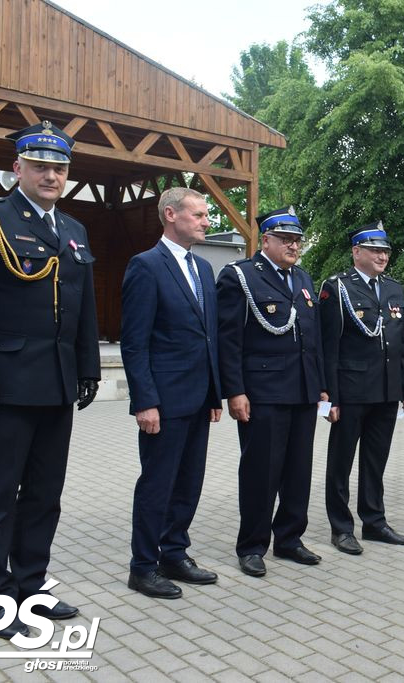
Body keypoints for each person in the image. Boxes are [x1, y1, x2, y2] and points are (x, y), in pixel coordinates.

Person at [0, 122, 100, 639]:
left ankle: (31, 587)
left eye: (59, 168)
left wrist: (88, 366)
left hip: (55, 385)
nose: (51, 175)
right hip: (6, 386)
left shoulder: (73, 230)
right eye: (40, 166)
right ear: (18, 168)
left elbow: (82, 309)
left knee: (43, 493)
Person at [121, 187, 222, 599]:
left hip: (198, 398)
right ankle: (142, 566)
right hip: (163, 401)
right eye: (198, 214)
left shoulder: (203, 268)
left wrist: (215, 394)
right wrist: (145, 400)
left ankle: (174, 554)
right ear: (170, 215)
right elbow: (134, 341)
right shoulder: (146, 266)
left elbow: (208, 336)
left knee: (188, 482)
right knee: (157, 484)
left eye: (206, 215)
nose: (206, 221)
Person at [217, 206, 327, 577]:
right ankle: (251, 545)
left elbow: (314, 340)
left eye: (297, 240)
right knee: (261, 472)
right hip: (262, 391)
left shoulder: (304, 279)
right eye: (286, 239)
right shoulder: (242, 277)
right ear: (266, 240)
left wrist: (322, 386)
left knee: (298, 471)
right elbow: (229, 340)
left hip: (302, 390)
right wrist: (235, 391)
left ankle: (290, 539)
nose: (294, 246)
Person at [319, 222, 404, 555]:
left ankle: (374, 522)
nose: (383, 256)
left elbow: (400, 342)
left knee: (376, 461)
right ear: (356, 252)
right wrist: (329, 395)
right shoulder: (337, 287)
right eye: (375, 250)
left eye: (386, 251)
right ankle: (341, 527)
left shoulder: (394, 289)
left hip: (387, 390)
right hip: (351, 389)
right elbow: (329, 345)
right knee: (341, 462)